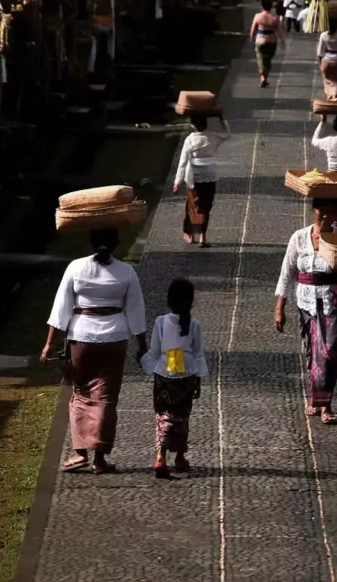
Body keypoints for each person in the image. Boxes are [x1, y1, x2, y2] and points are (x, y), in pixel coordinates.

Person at [42, 229, 147, 474]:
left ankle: (79, 453)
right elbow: (136, 312)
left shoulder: (76, 268)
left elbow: (61, 309)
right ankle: (99, 458)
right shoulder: (126, 272)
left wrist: (49, 343)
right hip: (115, 339)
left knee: (81, 394)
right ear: (115, 246)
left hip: (81, 338)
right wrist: (143, 346)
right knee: (107, 399)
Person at [274, 200, 337, 424]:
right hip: (306, 301)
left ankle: (325, 404)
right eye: (322, 211)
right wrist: (280, 307)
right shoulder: (299, 237)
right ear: (314, 211)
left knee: (328, 350)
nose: (327, 217)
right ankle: (316, 398)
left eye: (332, 211)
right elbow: (287, 272)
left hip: (334, 300)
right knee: (313, 349)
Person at [141, 278, 208, 478]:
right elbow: (198, 354)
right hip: (187, 374)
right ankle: (179, 456)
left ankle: (160, 455)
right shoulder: (194, 324)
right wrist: (198, 380)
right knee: (182, 415)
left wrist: (144, 362)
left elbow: (154, 350)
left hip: (164, 373)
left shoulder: (161, 322)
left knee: (163, 414)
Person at [173, 113, 230, 248]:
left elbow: (183, 162)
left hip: (194, 177)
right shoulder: (211, 137)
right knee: (206, 206)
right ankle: (202, 236)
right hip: (210, 176)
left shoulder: (190, 140)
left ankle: (190, 234)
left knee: (192, 207)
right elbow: (227, 134)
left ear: (192, 125)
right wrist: (222, 120)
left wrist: (177, 181)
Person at [250, 0, 285, 87]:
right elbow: (279, 31)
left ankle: (262, 78)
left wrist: (252, 38)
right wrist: (282, 41)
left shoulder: (258, 16)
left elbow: (253, 29)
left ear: (262, 6)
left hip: (260, 41)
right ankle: (265, 76)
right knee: (268, 60)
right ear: (271, 6)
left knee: (260, 60)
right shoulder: (275, 17)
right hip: (271, 41)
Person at [316, 18, 337, 98]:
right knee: (336, 80)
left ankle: (329, 95)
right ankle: (335, 94)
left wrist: (320, 64)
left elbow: (320, 52)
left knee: (327, 80)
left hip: (326, 59)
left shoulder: (323, 35)